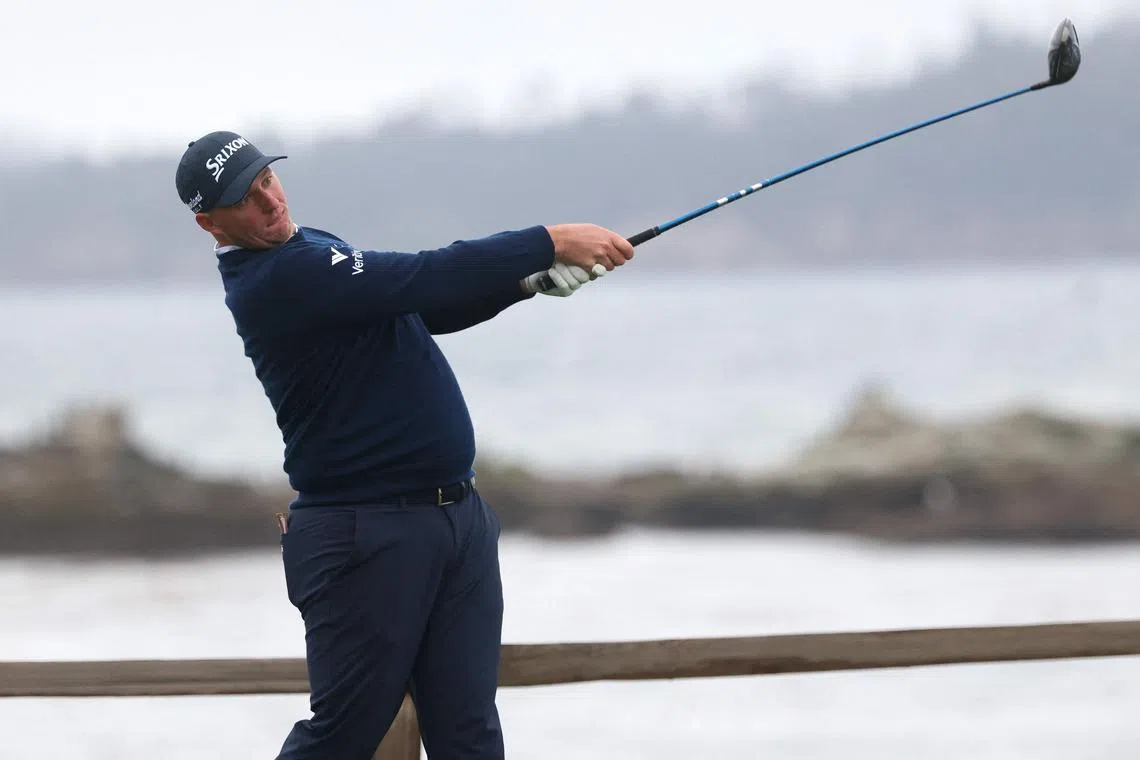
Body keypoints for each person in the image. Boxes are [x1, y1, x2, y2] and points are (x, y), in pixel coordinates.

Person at [174, 130, 633, 759]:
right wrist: (549, 240)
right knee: (345, 735)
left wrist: (524, 284)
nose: (270, 201)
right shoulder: (277, 278)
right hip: (365, 533)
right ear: (210, 224)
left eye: (267, 181)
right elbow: (424, 273)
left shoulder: (312, 246)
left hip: (456, 521)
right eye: (246, 199)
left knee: (469, 732)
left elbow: (423, 307)